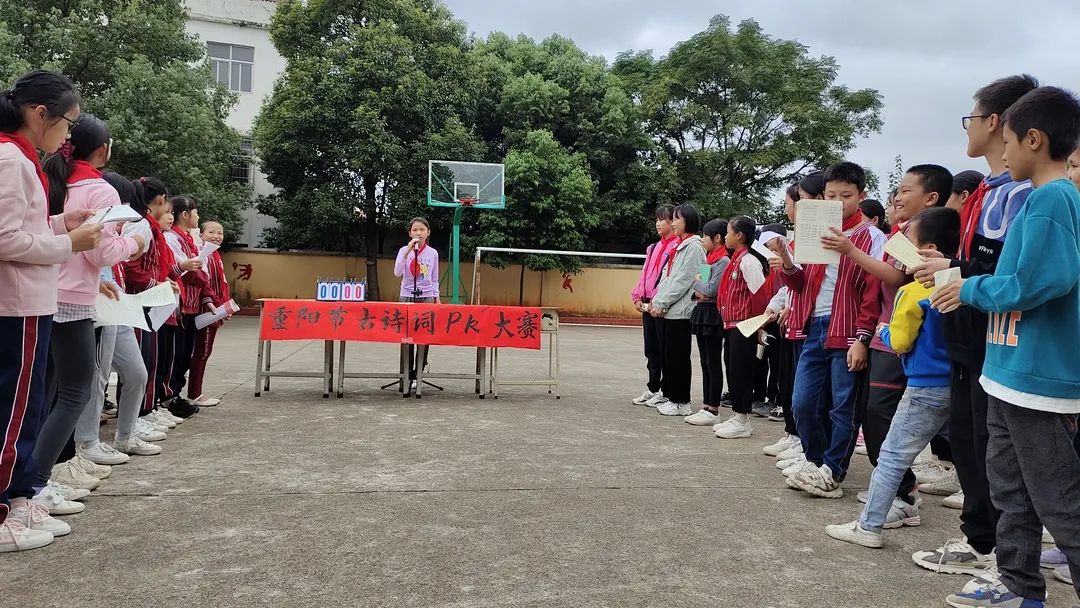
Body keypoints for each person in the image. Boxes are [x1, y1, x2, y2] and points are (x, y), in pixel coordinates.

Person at [931, 85, 1080, 608]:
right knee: (1010, 492)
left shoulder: (1051, 199)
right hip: (1006, 370)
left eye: (1011, 141)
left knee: (1061, 505)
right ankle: (1019, 588)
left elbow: (1037, 282)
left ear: (1034, 140)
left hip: (1038, 382)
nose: (1005, 153)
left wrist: (966, 286)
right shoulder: (1042, 198)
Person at [910, 74, 1038, 578]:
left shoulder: (1025, 196)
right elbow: (980, 265)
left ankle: (1001, 554)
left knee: (997, 455)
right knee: (968, 441)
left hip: (999, 342)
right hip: (968, 337)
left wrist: (956, 272)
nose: (970, 127)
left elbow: (1010, 276)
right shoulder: (990, 189)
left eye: (973, 116)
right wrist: (948, 266)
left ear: (996, 123)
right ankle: (982, 539)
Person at [0, 70, 103, 552]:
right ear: (38, 114)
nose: (67, 137)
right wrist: (68, 242)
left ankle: (20, 497)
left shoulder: (23, 159)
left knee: (28, 406)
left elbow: (26, 225)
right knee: (14, 410)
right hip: (16, 304)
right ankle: (6, 508)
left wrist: (64, 221)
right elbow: (5, 239)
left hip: (30, 302)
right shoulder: (9, 158)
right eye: (66, 124)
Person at [825, 206, 960, 548]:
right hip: (958, 383)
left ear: (927, 251)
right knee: (968, 456)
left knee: (893, 455)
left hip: (923, 385)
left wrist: (882, 333)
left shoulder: (913, 291)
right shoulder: (961, 284)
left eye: (906, 244)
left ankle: (868, 526)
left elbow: (900, 341)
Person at [35, 115, 143, 480]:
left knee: (43, 395)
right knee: (75, 392)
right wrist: (134, 243)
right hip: (71, 302)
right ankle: (34, 484)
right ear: (103, 150)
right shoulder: (100, 191)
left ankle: (33, 479)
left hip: (43, 290)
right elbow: (101, 252)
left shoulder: (52, 179)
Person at [772, 161, 878, 498]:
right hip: (814, 325)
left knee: (842, 406)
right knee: (802, 402)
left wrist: (863, 337)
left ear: (861, 196)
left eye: (845, 195)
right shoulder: (816, 229)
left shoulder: (870, 236)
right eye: (830, 195)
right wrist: (788, 261)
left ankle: (833, 471)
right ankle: (816, 461)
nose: (837, 201)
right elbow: (801, 283)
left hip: (847, 328)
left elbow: (872, 290)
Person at [121, 177, 188, 424]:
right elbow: (131, 267)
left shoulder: (150, 228)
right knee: (141, 363)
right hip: (140, 302)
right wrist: (156, 285)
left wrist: (163, 282)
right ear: (160, 201)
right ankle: (138, 415)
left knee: (151, 359)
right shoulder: (140, 226)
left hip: (150, 302)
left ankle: (147, 410)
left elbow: (157, 266)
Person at [713, 216, 769, 438]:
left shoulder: (749, 261)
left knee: (742, 372)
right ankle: (738, 414)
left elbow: (759, 296)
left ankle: (743, 419)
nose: (726, 236)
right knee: (733, 369)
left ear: (740, 235)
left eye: (728, 232)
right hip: (732, 325)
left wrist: (758, 327)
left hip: (745, 325)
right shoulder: (736, 259)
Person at [648, 203, 705, 417]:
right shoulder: (682, 246)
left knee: (679, 358)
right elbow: (668, 278)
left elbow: (683, 280)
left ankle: (682, 401)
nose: (673, 223)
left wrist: (661, 303)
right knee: (670, 356)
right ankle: (672, 396)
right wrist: (658, 300)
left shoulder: (694, 247)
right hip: (671, 310)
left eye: (676, 219)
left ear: (687, 221)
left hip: (681, 311)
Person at [162, 195, 215, 413]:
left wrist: (207, 295)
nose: (198, 216)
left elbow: (201, 271)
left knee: (184, 354)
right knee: (174, 355)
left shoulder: (188, 239)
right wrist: (198, 274)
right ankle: (168, 398)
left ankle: (175, 395)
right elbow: (186, 271)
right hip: (181, 305)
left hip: (192, 305)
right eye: (196, 213)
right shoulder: (172, 238)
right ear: (185, 215)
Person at [683, 218, 730, 426]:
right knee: (703, 361)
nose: (703, 240)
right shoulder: (709, 259)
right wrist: (700, 287)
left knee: (713, 361)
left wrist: (697, 282)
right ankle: (706, 404)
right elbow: (699, 292)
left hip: (713, 315)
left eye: (705, 236)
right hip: (702, 312)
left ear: (717, 238)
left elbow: (710, 290)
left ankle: (714, 407)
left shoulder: (723, 261)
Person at [631, 205, 679, 407]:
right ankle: (653, 387)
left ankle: (668, 391)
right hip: (648, 303)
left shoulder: (681, 246)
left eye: (663, 219)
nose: (658, 223)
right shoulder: (653, 247)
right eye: (657, 219)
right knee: (651, 349)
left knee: (666, 350)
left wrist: (661, 301)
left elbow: (684, 279)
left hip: (665, 306)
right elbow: (646, 274)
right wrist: (637, 295)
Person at [187, 220, 231, 407]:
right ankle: (195, 393)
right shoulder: (202, 254)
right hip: (205, 310)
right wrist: (215, 303)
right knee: (201, 352)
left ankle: (195, 392)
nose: (216, 236)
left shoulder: (216, 255)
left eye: (220, 233)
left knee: (204, 351)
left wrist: (226, 306)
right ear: (202, 235)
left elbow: (222, 284)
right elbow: (204, 283)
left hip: (215, 309)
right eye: (211, 232)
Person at [393, 217, 440, 392]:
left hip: (426, 297)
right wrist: (407, 252)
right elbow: (397, 272)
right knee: (406, 336)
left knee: (423, 336)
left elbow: (434, 279)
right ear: (410, 233)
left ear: (428, 233)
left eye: (422, 230)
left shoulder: (433, 253)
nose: (418, 233)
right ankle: (405, 374)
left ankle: (418, 373)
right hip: (407, 296)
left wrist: (436, 297)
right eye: (415, 230)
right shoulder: (404, 251)